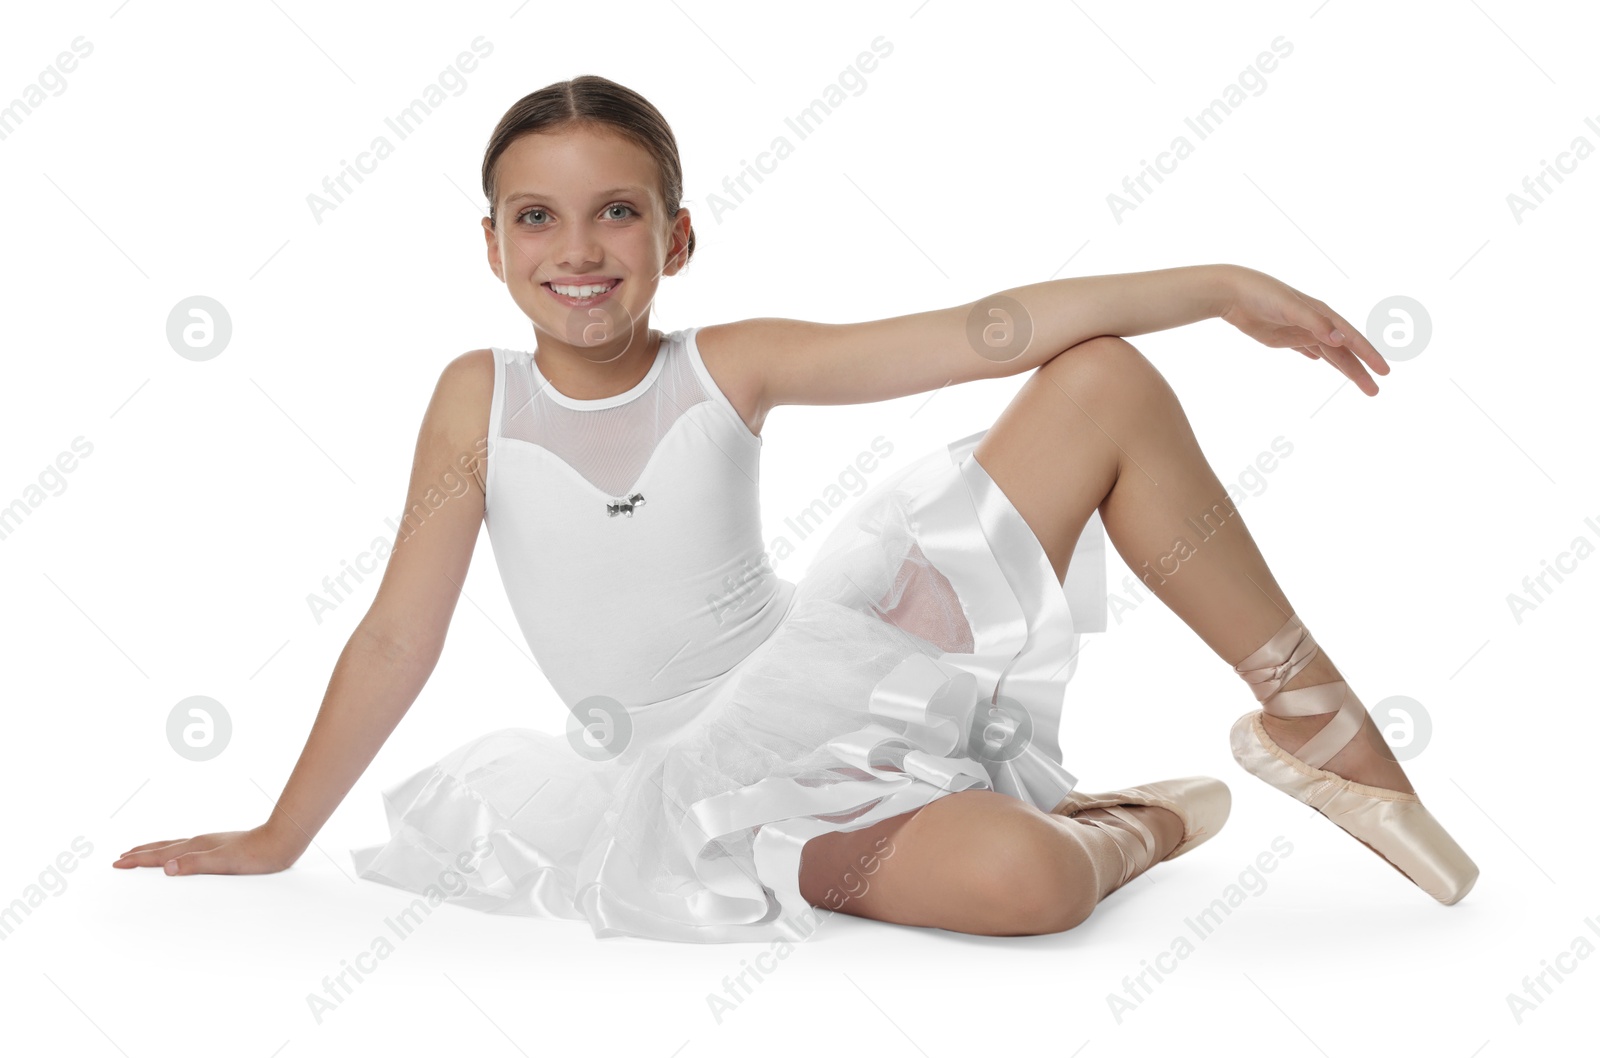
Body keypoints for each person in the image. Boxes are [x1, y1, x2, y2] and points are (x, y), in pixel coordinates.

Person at [113, 75, 1477, 942]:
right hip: (675, 772)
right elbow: (398, 637)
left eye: (616, 214)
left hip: (827, 669)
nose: (577, 253)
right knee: (1030, 888)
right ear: (489, 245)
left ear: (675, 236)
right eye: (535, 219)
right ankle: (1127, 821)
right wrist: (277, 833)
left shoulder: (730, 363)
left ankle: (1317, 721)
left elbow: (987, 329)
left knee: (1102, 378)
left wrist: (1217, 281)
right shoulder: (480, 400)